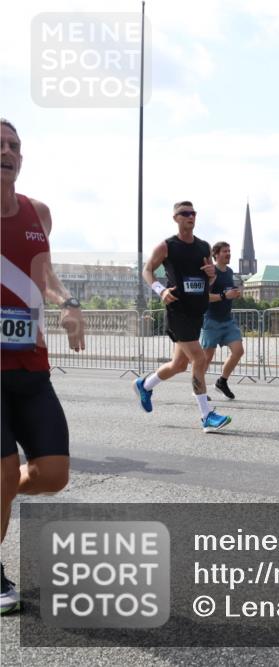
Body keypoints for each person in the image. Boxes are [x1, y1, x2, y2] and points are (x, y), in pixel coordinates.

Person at [1, 118, 86, 615]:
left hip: (31, 366)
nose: (7, 150)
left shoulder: (39, 212)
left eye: (14, 145)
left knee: (52, 474)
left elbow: (46, 275)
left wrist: (68, 303)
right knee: (2, 473)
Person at [133, 201, 231, 432]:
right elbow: (147, 270)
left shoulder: (203, 247)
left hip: (197, 311)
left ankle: (145, 385)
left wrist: (211, 276)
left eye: (193, 213)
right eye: (185, 213)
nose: (190, 216)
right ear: (175, 218)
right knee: (199, 360)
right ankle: (206, 416)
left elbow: (209, 280)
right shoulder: (167, 246)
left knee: (179, 364)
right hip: (177, 311)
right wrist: (161, 290)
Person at [200, 241, 243, 400]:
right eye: (225, 251)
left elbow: (227, 292)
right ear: (216, 254)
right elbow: (203, 297)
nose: (228, 253)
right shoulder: (211, 272)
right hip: (211, 320)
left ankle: (221, 382)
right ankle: (199, 390)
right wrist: (225, 296)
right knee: (206, 358)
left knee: (238, 351)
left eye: (229, 251)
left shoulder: (230, 271)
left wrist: (234, 294)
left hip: (227, 320)